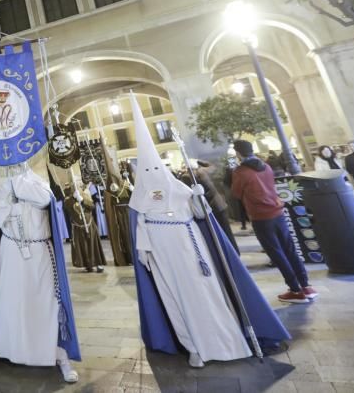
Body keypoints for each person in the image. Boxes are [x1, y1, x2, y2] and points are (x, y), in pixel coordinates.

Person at [130, 106, 289, 368]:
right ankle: (193, 347)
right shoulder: (139, 200)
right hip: (163, 260)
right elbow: (140, 228)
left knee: (209, 294)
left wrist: (198, 196)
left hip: (193, 252)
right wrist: (144, 252)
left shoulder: (180, 189)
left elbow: (202, 216)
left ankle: (229, 339)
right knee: (175, 301)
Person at [0, 166, 81, 382]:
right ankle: (16, 350)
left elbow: (42, 199)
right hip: (12, 252)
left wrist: (14, 193)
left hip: (40, 251)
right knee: (14, 303)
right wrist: (11, 203)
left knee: (45, 302)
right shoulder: (3, 187)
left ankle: (55, 351)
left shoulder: (38, 184)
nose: (14, 166)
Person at [231, 140, 317, 304]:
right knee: (289, 249)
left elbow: (235, 193)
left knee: (276, 252)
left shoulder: (241, 172)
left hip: (261, 216)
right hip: (277, 212)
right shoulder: (266, 166)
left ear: (238, 153)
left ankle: (295, 290)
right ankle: (306, 286)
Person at [182, 161, 239, 255]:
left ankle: (230, 253)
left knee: (220, 232)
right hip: (220, 203)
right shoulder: (210, 172)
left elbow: (203, 193)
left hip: (212, 206)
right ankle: (234, 252)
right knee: (226, 231)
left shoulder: (192, 176)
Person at [63, 184, 105, 273]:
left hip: (89, 224)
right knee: (83, 246)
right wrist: (72, 198)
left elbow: (91, 206)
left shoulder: (85, 193)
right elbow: (67, 207)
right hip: (78, 226)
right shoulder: (68, 199)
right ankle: (88, 265)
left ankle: (98, 263)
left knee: (93, 244)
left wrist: (82, 200)